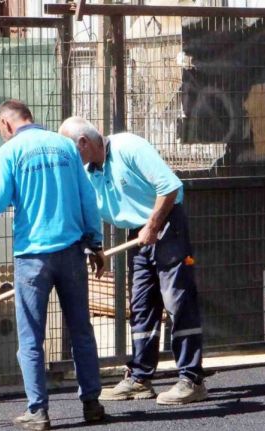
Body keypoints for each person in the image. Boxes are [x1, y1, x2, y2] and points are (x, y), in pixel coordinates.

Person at [0, 100, 106, 430]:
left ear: (6, 125)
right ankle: (91, 404)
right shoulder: (65, 146)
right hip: (72, 252)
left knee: (31, 338)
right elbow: (87, 198)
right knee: (82, 331)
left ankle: (39, 412)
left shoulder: (9, 154)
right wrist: (96, 243)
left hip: (32, 258)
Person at [58, 116, 207, 405]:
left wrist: (153, 225)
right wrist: (95, 247)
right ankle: (140, 377)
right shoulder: (89, 172)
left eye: (71, 151)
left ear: (83, 143)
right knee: (141, 306)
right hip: (137, 234)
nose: (70, 159)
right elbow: (89, 211)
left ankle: (192, 379)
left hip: (166, 224)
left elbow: (169, 187)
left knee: (178, 301)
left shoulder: (129, 147)